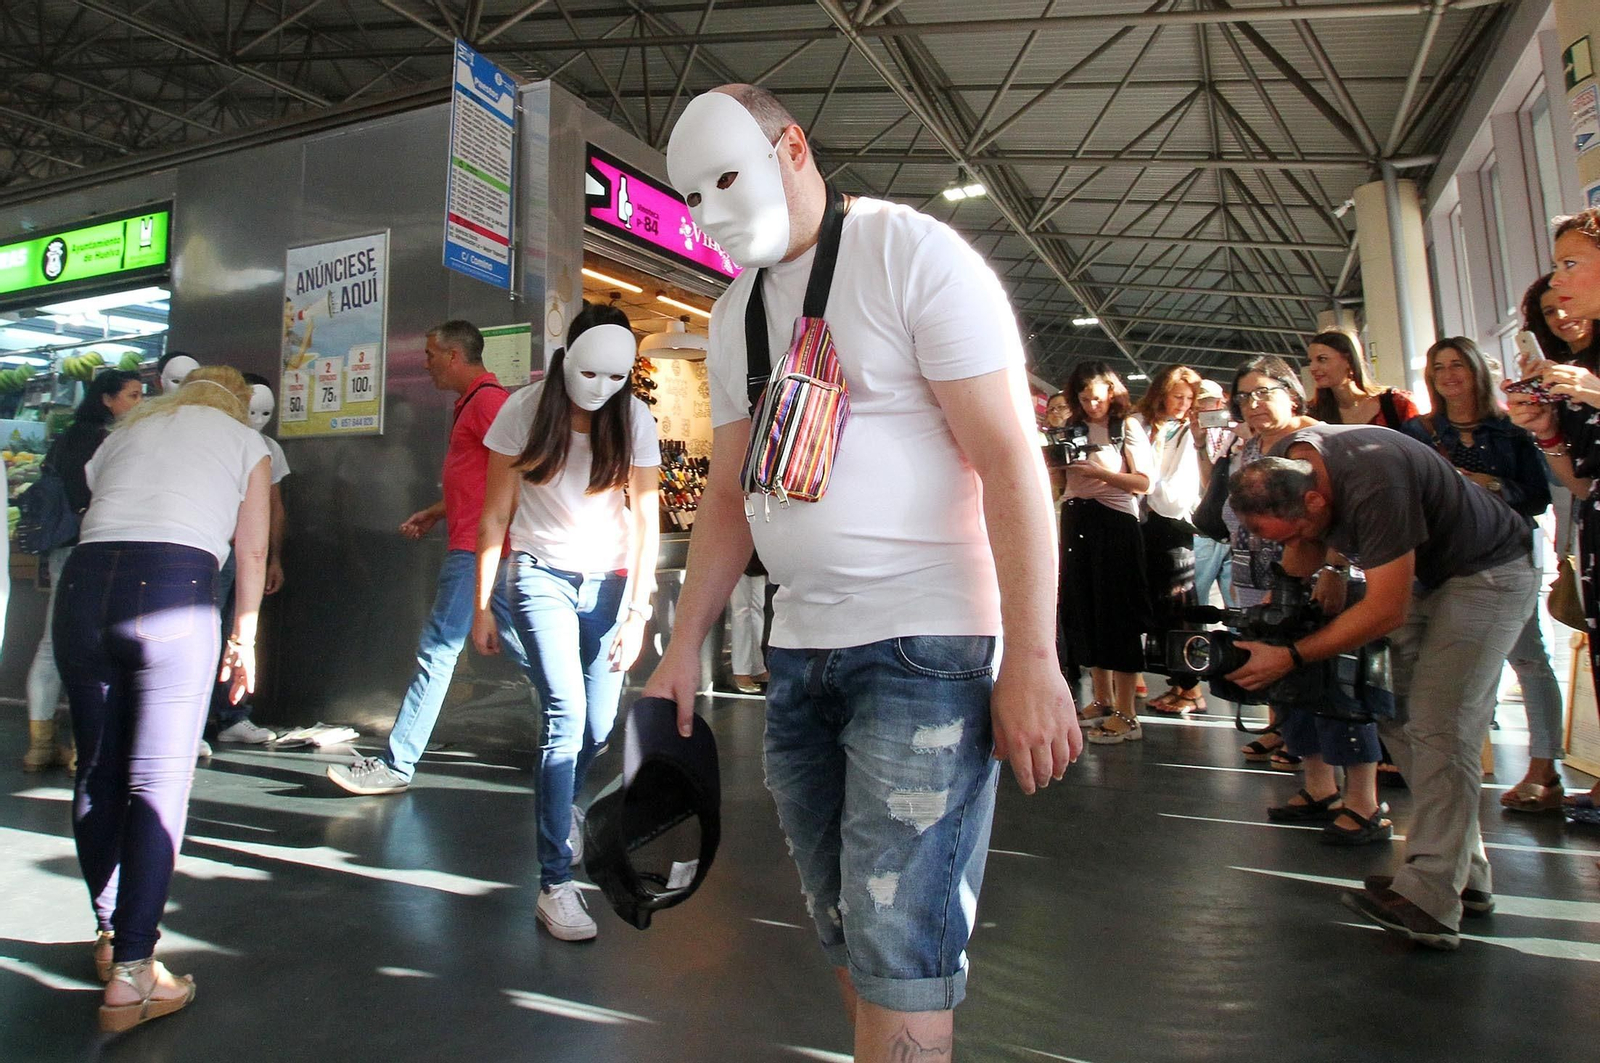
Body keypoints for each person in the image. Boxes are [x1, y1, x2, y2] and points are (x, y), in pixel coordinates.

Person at [652, 85, 1078, 1062]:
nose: (712, 213)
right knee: (851, 924)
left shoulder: (910, 255)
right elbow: (726, 498)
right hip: (803, 656)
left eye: (727, 178)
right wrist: (681, 648)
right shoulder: (732, 317)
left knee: (898, 940)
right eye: (694, 195)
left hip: (924, 646)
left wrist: (1034, 655)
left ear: (791, 148)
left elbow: (1011, 458)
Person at [1225, 426, 1537, 949]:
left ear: (1315, 498)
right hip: (1424, 574)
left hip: (1487, 573)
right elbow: (1302, 553)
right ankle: (1467, 876)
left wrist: (1292, 654)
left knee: (1443, 726)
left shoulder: (1374, 477)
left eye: (1293, 529)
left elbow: (1385, 608)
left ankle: (1431, 900)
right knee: (1395, 714)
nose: (1287, 545)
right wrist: (1287, 594)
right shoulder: (1284, 465)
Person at [56, 365, 270, 1029]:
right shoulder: (245, 442)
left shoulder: (126, 432)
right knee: (157, 781)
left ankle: (107, 932)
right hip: (174, 588)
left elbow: (96, 502)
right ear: (236, 402)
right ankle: (134, 970)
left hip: (84, 588)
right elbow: (253, 550)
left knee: (98, 767)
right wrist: (245, 636)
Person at [473, 303, 660, 943]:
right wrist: (480, 603)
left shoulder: (634, 418)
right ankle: (555, 883)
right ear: (568, 356)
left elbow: (644, 521)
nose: (602, 389)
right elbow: (494, 514)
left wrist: (639, 607)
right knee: (566, 716)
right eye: (592, 372)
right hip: (539, 576)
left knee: (600, 726)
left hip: (607, 585)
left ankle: (568, 809)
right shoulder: (523, 410)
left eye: (616, 376)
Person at [326, 321, 530, 795]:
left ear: (455, 356)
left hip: (475, 551)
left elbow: (516, 478)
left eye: (431, 354)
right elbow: (485, 480)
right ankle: (587, 729)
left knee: (437, 652)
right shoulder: (478, 404)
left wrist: (489, 538)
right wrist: (440, 511)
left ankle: (397, 766)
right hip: (478, 546)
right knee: (530, 651)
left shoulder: (489, 404)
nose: (426, 363)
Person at [1401, 339, 1559, 812]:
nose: (1449, 375)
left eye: (1458, 366)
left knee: (1529, 659)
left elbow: (1537, 498)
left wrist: (1485, 484)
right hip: (1442, 560)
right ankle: (1456, 770)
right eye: (1439, 367)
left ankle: (1544, 766)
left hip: (1507, 559)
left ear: (1476, 372)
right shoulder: (1419, 430)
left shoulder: (1512, 430)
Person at [1510, 207, 1600, 819]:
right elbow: (1582, 482)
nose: (1558, 284)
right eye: (1554, 267)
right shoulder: (1571, 380)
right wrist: (1545, 431)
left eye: (1571, 264)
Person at [20, 370, 143, 772]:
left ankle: (39, 746)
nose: (139, 403)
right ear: (107, 399)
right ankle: (82, 747)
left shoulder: (64, 440)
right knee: (95, 646)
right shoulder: (115, 441)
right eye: (132, 395)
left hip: (60, 550)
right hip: (99, 550)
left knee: (51, 646)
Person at [1059, 363, 1155, 744]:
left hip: (1115, 522)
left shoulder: (1126, 426)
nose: (1091, 405)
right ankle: (1101, 698)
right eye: (1084, 399)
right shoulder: (1072, 426)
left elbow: (1144, 482)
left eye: (1097, 398)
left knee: (1119, 613)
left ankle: (1127, 711)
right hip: (1076, 515)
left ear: (1112, 394)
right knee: (1085, 610)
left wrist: (1100, 474)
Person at [206, 372, 291, 744]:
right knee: (203, 631)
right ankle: (194, 717)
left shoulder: (268, 448)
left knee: (236, 632)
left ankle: (232, 715)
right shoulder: (215, 442)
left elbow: (275, 507)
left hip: (246, 555)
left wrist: (274, 559)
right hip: (214, 549)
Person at [1137, 365, 1207, 716]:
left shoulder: (1188, 433)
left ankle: (1191, 687)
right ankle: (1178, 684)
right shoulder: (1150, 427)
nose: (1182, 403)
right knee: (1162, 608)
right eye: (1177, 396)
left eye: (1188, 398)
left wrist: (1147, 489)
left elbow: (1178, 492)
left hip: (1174, 526)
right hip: (1149, 526)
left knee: (1178, 607)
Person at [1306, 330, 1419, 428]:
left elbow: (1419, 447)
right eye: (1310, 361)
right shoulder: (1311, 415)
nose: (1312, 368)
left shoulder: (1397, 404)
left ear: (1349, 360)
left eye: (1322, 359)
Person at [1189, 379, 1233, 608]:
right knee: (1198, 598)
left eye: (1210, 403)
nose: (1204, 410)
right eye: (1198, 405)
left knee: (1235, 600)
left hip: (1235, 526)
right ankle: (1199, 643)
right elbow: (1206, 480)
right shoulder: (1187, 433)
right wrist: (1198, 442)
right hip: (1203, 525)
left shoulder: (1237, 431)